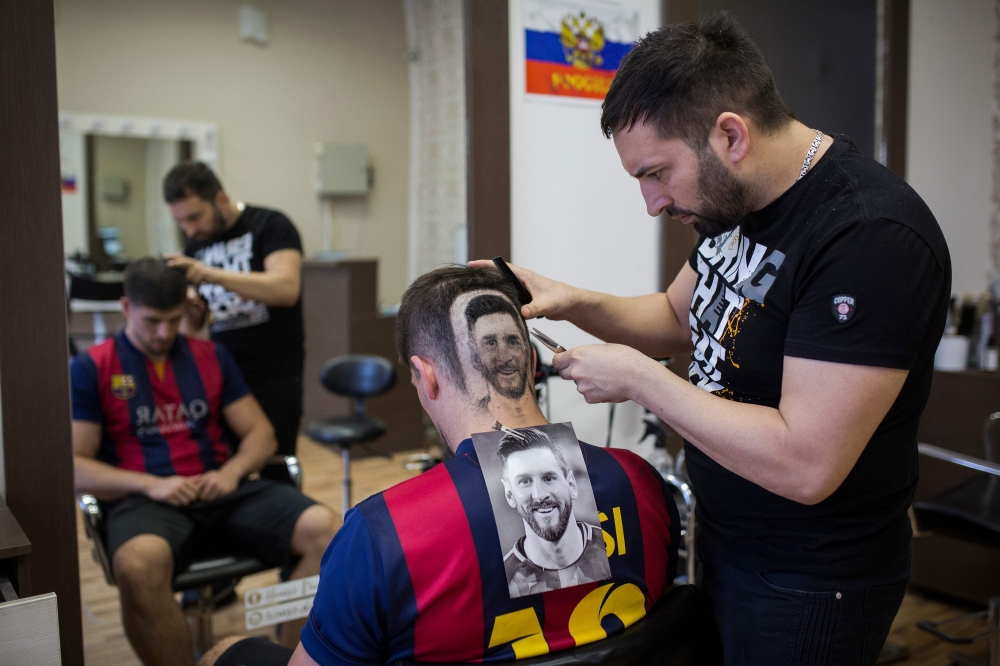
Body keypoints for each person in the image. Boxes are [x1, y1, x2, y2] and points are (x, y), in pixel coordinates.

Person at [470, 13, 951, 666]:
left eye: (656, 174)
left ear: (730, 134)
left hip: (811, 580)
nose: (651, 202)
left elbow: (807, 464)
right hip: (727, 541)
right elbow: (675, 316)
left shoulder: (869, 239)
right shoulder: (734, 204)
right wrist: (569, 298)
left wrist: (643, 381)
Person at [200, 265, 681, 666]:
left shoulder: (381, 534)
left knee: (225, 652)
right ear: (533, 364)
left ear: (424, 376)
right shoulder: (640, 483)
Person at [71, 258, 338, 666]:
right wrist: (149, 484)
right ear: (126, 308)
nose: (164, 333)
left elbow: (260, 434)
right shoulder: (93, 368)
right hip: (147, 501)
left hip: (223, 489)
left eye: (174, 320)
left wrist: (231, 473)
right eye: (153, 321)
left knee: (327, 530)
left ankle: (290, 658)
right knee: (136, 566)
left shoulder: (209, 356)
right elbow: (75, 465)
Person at [163, 162, 305, 456]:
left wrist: (209, 273)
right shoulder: (196, 245)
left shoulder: (270, 224)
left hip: (274, 374)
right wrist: (190, 307)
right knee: (226, 463)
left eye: (195, 217)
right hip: (224, 376)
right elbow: (194, 328)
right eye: (181, 223)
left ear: (220, 199)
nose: (190, 229)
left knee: (275, 464)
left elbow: (286, 289)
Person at [497, 427, 610, 595]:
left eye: (549, 478)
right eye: (525, 481)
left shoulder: (611, 545)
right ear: (509, 495)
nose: (540, 495)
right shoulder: (503, 579)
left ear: (571, 485)